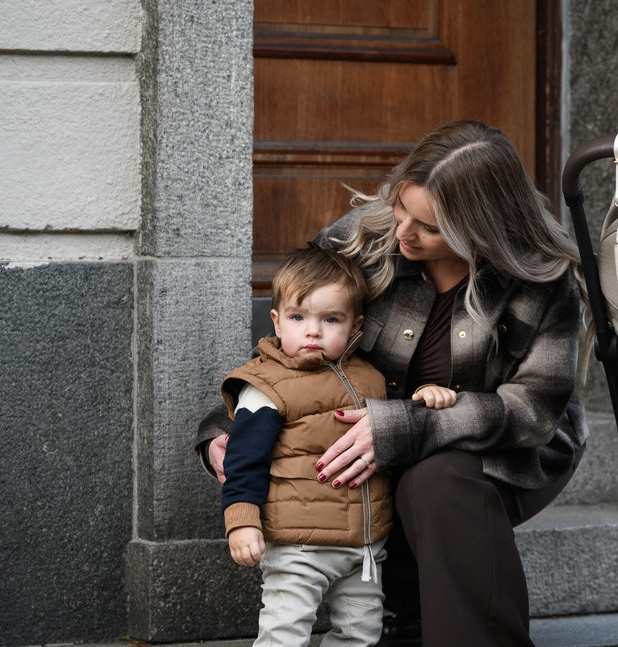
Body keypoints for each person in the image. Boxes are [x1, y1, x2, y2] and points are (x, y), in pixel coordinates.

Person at [197, 120, 589, 647]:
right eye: (402, 206)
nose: (403, 231)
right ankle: (401, 618)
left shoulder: (541, 278)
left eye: (429, 227)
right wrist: (228, 428)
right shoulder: (362, 240)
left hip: (505, 450)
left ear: (483, 227)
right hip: (364, 445)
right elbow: (290, 353)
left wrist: (403, 426)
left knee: (435, 479)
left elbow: (533, 410)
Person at [219, 246, 457, 647]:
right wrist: (241, 520)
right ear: (276, 322)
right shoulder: (265, 387)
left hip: (363, 545)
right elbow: (244, 460)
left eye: (330, 319)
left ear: (355, 326)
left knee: (361, 634)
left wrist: (425, 396)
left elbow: (393, 428)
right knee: (285, 630)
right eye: (298, 317)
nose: (313, 331)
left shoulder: (371, 379)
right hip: (298, 546)